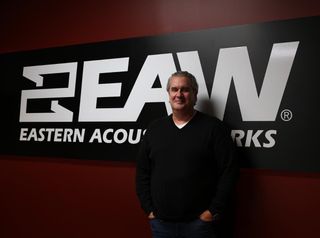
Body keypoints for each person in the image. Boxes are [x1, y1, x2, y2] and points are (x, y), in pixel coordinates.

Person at [136, 71, 238, 238]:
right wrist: (149, 210)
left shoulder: (214, 128)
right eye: (174, 89)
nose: (179, 94)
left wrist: (212, 211)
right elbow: (142, 172)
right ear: (168, 94)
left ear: (194, 95)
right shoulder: (154, 129)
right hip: (161, 224)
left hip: (200, 226)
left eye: (185, 90)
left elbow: (229, 171)